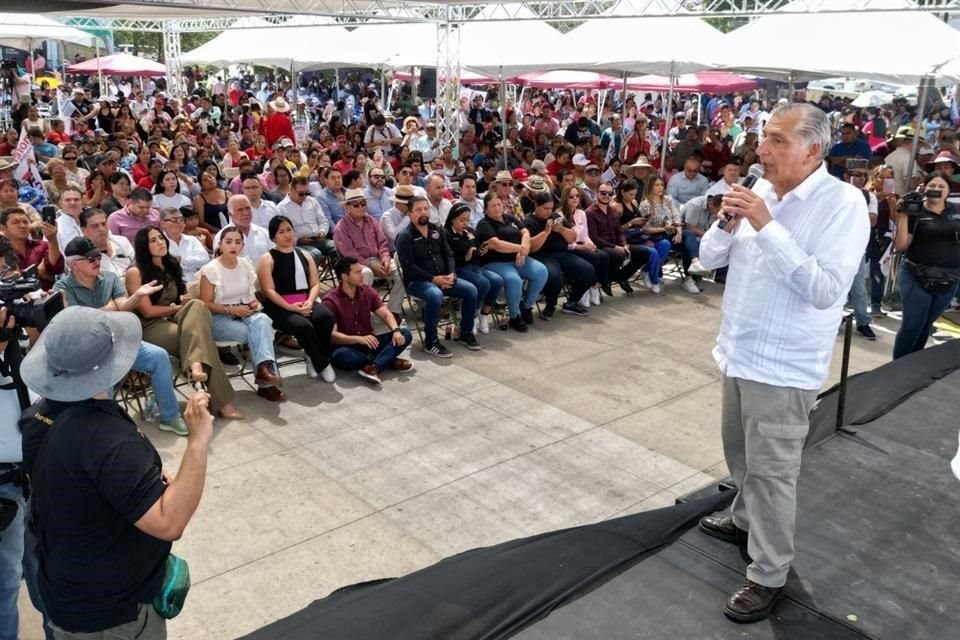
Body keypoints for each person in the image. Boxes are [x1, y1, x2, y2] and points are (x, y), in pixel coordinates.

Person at [697, 103, 869, 623]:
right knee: (741, 455)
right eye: (761, 139)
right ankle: (744, 518)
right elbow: (707, 259)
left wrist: (767, 226)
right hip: (739, 351)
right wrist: (727, 223)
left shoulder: (844, 205)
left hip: (783, 366)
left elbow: (823, 290)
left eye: (775, 141)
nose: (761, 151)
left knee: (773, 473)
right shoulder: (758, 193)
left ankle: (768, 573)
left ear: (813, 149)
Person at [20, 306, 214, 639]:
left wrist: (143, 480)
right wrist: (198, 440)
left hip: (70, 592)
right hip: (112, 616)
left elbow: (83, 487)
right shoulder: (107, 439)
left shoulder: (41, 417)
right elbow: (170, 521)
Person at [53, 237, 188, 435]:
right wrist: (110, 307)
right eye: (90, 259)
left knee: (159, 357)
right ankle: (111, 432)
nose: (97, 261)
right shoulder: (62, 288)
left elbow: (123, 307)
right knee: (102, 380)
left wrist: (136, 296)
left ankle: (169, 416)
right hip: (89, 351)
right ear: (74, 264)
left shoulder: (110, 277)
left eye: (98, 256)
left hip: (119, 340)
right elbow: (78, 321)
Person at [127, 227, 241, 419]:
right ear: (143, 246)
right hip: (151, 325)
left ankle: (195, 364)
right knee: (202, 339)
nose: (160, 242)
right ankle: (223, 403)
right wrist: (177, 307)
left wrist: (183, 302)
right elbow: (147, 311)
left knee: (196, 304)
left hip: (175, 317)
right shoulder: (135, 272)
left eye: (161, 238)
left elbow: (181, 300)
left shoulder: (171, 264)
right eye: (153, 240)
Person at [198, 227, 285, 402]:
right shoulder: (210, 269)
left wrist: (254, 303)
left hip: (245, 313)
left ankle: (264, 373)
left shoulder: (245, 264)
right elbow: (205, 304)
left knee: (262, 319)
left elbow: (251, 296)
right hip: (219, 318)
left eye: (238, 242)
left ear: (242, 246)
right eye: (228, 241)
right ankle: (266, 382)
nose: (233, 245)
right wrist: (231, 309)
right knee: (259, 334)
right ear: (220, 244)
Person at [396, 196, 481, 355]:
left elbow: (448, 255)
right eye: (418, 209)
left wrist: (451, 274)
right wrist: (433, 279)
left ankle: (465, 332)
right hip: (418, 282)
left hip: (443, 278)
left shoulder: (437, 230)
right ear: (410, 214)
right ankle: (431, 341)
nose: (423, 212)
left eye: (426, 208)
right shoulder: (405, 236)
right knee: (435, 295)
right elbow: (409, 267)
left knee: (471, 290)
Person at [257, 216, 336, 382]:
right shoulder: (267, 259)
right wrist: (291, 307)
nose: (286, 235)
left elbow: (315, 284)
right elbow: (268, 290)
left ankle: (312, 355)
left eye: (289, 230)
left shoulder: (305, 255)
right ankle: (323, 362)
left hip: (305, 301)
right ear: (273, 237)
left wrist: (309, 301)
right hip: (279, 306)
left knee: (325, 317)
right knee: (303, 326)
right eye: (281, 232)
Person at [891, 175, 960, 359]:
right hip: (917, 274)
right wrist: (904, 214)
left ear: (948, 190)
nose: (936, 188)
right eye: (932, 185)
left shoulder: (957, 210)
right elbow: (900, 246)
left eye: (941, 186)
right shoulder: (915, 211)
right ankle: (897, 367)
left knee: (927, 324)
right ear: (924, 188)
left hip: (950, 276)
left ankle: (913, 363)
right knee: (913, 324)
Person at [322, 257, 414, 385]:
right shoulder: (330, 301)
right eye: (357, 272)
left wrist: (396, 330)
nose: (362, 275)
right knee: (342, 357)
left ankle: (374, 367)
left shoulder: (367, 291)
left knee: (405, 334)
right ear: (344, 276)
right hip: (347, 345)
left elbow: (386, 313)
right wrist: (358, 339)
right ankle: (386, 360)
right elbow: (332, 336)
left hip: (370, 342)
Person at [475, 191, 548, 332]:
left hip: (518, 258)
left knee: (541, 271)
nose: (497, 208)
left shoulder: (509, 218)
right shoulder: (484, 224)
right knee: (514, 280)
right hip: (495, 261)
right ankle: (514, 316)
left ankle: (526, 306)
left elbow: (525, 232)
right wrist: (521, 249)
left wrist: (524, 249)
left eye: (499, 204)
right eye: (493, 206)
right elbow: (497, 245)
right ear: (486, 209)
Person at [333, 189, 404, 319]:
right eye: (356, 205)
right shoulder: (341, 227)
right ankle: (363, 313)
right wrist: (371, 265)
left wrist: (385, 259)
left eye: (363, 203)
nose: (361, 207)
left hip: (378, 258)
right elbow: (349, 253)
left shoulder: (371, 221)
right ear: (347, 207)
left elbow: (382, 243)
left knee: (402, 271)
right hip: (356, 263)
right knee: (365, 274)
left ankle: (393, 310)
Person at [524, 192, 593, 318]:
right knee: (555, 278)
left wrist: (561, 230)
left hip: (562, 253)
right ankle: (550, 305)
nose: (548, 212)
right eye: (545, 208)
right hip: (542, 256)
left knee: (588, 270)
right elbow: (531, 248)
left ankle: (572, 301)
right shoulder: (529, 221)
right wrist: (545, 232)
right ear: (536, 206)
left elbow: (572, 238)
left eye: (550, 208)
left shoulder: (555, 216)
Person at [559, 184, 611, 306]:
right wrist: (582, 247)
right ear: (565, 198)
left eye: (577, 196)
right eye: (571, 197)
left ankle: (594, 285)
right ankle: (585, 288)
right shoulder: (560, 215)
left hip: (582, 244)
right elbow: (564, 243)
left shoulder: (581, 213)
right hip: (569, 248)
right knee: (595, 257)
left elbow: (585, 235)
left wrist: (590, 244)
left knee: (604, 256)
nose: (575, 199)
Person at [844, 164, 879, 340]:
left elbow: (872, 220)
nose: (860, 178)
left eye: (863, 175)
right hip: (832, 244)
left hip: (855, 247)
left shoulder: (868, 196)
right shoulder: (836, 192)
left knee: (858, 287)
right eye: (855, 174)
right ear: (846, 176)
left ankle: (863, 322)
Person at [639, 175, 687, 294]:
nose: (660, 187)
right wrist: (663, 228)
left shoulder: (668, 200)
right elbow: (645, 228)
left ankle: (648, 270)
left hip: (672, 232)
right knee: (665, 244)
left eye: (661, 185)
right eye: (656, 185)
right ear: (650, 187)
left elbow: (676, 216)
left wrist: (679, 232)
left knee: (689, 237)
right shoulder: (645, 204)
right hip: (656, 235)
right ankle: (653, 276)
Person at [277, 176, 338, 265]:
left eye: (307, 193)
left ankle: (344, 275)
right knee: (315, 254)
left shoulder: (312, 201)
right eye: (301, 193)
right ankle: (312, 278)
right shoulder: (281, 208)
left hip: (318, 239)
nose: (305, 196)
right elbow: (281, 233)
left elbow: (323, 221)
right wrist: (298, 240)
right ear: (291, 189)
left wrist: (322, 232)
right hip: (298, 244)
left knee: (340, 247)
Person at [0, 207, 62, 290]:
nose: (23, 226)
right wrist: (37, 272)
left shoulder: (42, 246)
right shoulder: (2, 252)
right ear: (2, 228)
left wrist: (52, 239)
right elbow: (7, 278)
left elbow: (56, 268)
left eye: (25, 222)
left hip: (46, 298)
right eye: (16, 222)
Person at [213, 195, 272, 265]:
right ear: (230, 214)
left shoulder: (264, 233)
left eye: (248, 208)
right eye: (240, 210)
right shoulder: (221, 237)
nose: (245, 213)